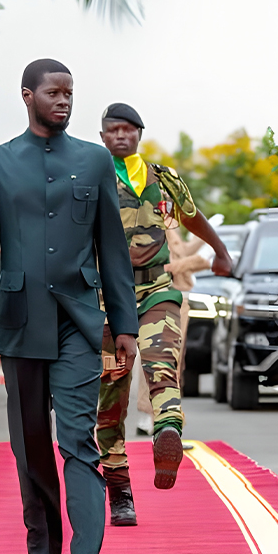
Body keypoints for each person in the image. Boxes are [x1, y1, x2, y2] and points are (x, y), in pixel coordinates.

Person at [0, 58, 137, 554]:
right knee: (31, 448)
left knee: (77, 440)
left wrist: (124, 322)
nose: (64, 101)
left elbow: (112, 247)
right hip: (18, 322)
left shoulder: (95, 161)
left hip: (79, 323)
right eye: (54, 93)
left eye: (70, 94)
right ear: (27, 95)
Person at [94, 102, 232, 524]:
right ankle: (120, 490)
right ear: (102, 137)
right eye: (113, 130)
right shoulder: (90, 177)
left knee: (162, 364)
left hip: (157, 287)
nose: (121, 136)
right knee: (112, 393)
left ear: (139, 133)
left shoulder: (162, 178)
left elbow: (191, 217)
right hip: (106, 297)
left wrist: (220, 250)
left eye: (128, 129)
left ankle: (166, 431)